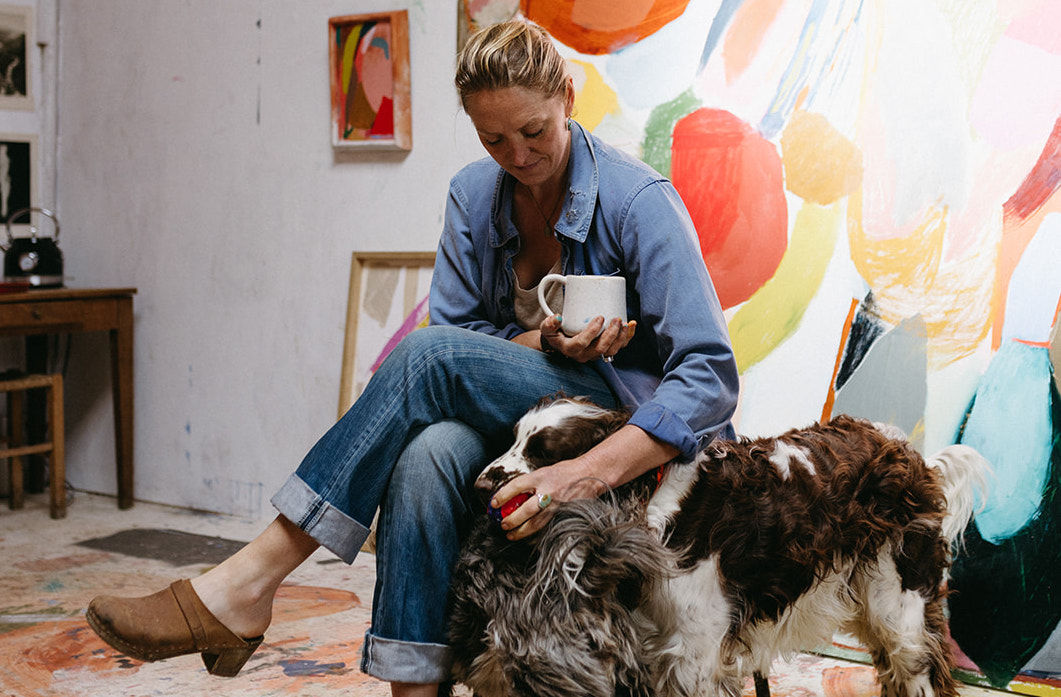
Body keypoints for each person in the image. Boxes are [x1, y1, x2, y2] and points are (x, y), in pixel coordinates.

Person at [85, 19, 739, 697]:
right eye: (493, 138)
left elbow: (709, 375)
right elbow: (465, 336)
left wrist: (580, 474)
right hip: (517, 409)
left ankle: (249, 579)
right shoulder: (472, 195)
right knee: (424, 458)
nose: (517, 154)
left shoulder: (638, 201)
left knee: (423, 355)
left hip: (615, 424)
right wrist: (542, 342)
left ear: (567, 98)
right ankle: (411, 688)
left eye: (534, 130)